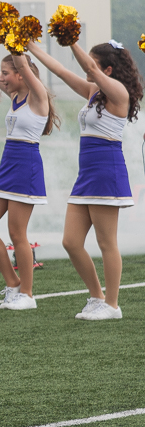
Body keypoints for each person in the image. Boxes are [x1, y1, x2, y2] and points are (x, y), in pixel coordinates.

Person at [28, 39, 141, 320]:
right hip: (87, 175)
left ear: (109, 69)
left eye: (93, 65)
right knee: (71, 241)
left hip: (107, 172)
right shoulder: (94, 91)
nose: (86, 69)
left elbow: (88, 65)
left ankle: (112, 305)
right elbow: (61, 72)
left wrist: (71, 40)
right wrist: (30, 47)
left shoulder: (119, 93)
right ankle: (96, 296)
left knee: (106, 243)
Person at [0, 36, 59, 310]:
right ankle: (12, 283)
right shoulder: (15, 94)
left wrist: (14, 38)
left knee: (16, 233)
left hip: (26, 165)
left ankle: (27, 295)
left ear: (22, 74)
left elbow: (20, 61)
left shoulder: (37, 96)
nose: (3, 78)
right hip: (7, 165)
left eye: (7, 73)